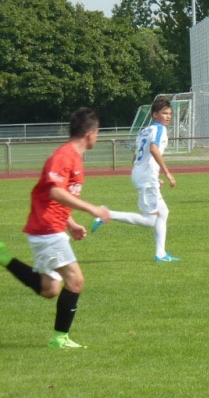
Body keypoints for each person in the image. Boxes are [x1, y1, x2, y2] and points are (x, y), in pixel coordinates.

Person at [0, 108, 112, 349]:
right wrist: (91, 209)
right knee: (76, 280)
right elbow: (55, 191)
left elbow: (58, 197)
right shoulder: (64, 156)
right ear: (90, 134)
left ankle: (4, 256)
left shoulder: (75, 158)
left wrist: (70, 224)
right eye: (98, 132)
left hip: (53, 227)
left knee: (49, 288)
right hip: (47, 228)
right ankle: (59, 339)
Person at [91, 96, 180, 262]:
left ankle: (160, 254)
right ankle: (105, 214)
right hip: (145, 176)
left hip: (142, 174)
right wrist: (167, 173)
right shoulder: (159, 129)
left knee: (163, 212)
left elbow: (136, 155)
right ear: (155, 114)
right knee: (150, 221)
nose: (168, 116)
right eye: (164, 113)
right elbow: (153, 149)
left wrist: (153, 177)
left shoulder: (144, 131)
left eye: (169, 113)